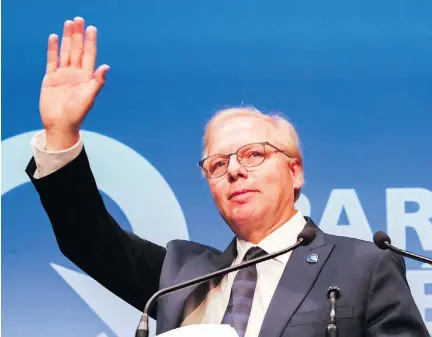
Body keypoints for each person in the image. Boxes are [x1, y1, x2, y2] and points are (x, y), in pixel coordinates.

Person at [25, 16, 429, 337]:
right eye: (218, 164)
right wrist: (62, 133)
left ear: (295, 170)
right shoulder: (180, 274)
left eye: (254, 154)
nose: (234, 169)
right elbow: (86, 236)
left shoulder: (364, 265)